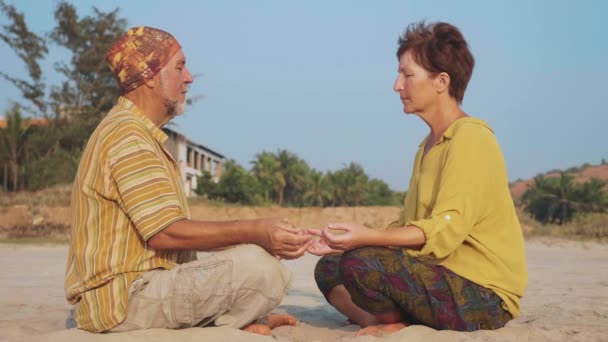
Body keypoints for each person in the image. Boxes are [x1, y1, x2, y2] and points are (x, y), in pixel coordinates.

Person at [65, 26, 310, 335]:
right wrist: (256, 230)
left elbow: (171, 236)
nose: (189, 78)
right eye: (179, 67)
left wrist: (260, 237)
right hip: (125, 301)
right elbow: (165, 235)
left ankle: (236, 321)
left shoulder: (135, 132)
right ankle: (233, 323)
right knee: (260, 268)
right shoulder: (127, 136)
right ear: (150, 76)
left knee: (256, 256)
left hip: (137, 291)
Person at [308, 21, 527, 337]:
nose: (397, 85)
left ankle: (399, 322)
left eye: (407, 75)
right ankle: (384, 321)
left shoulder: (471, 138)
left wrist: (366, 239)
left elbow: (444, 229)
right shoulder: (427, 146)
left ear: (441, 81)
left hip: (483, 295)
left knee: (360, 261)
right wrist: (342, 238)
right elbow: (409, 225)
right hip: (438, 275)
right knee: (331, 265)